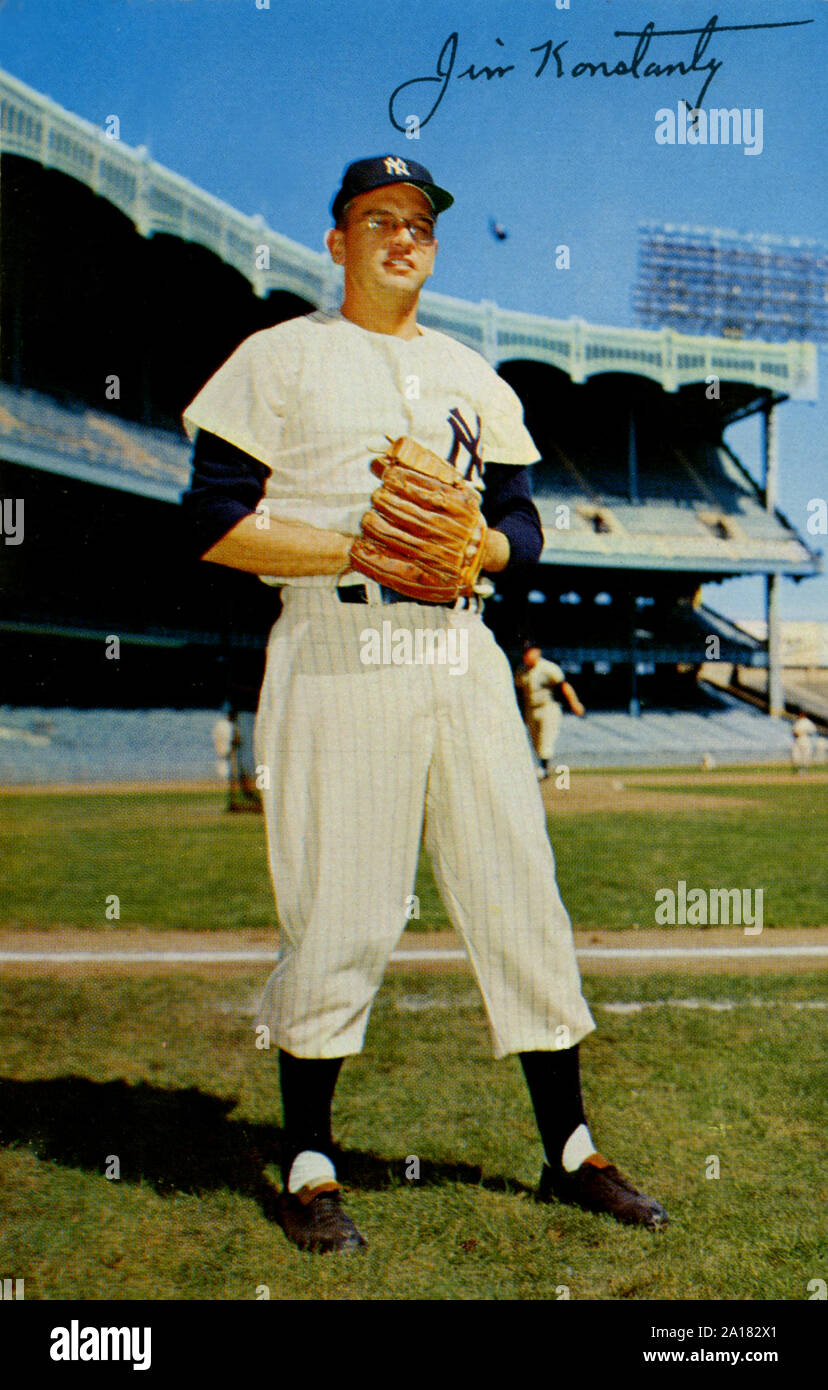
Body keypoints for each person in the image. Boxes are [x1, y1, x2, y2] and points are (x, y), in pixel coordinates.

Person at [182, 155, 667, 1253]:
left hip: (459, 644)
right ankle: (310, 1163)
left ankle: (573, 1151)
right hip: (336, 635)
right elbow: (212, 517)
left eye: (420, 224)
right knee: (342, 904)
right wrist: (356, 543)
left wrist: (483, 543)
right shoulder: (280, 358)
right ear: (338, 242)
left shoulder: (472, 374)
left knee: (520, 894)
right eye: (379, 219)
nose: (404, 237)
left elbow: (523, 524)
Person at [515, 642, 585, 779]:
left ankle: (543, 769)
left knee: (545, 740)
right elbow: (518, 692)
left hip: (548, 707)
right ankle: (542, 768)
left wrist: (574, 703)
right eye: (525, 652)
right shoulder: (521, 670)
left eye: (530, 651)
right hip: (531, 708)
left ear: (537, 652)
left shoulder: (548, 668)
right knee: (535, 742)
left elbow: (563, 685)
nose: (527, 655)